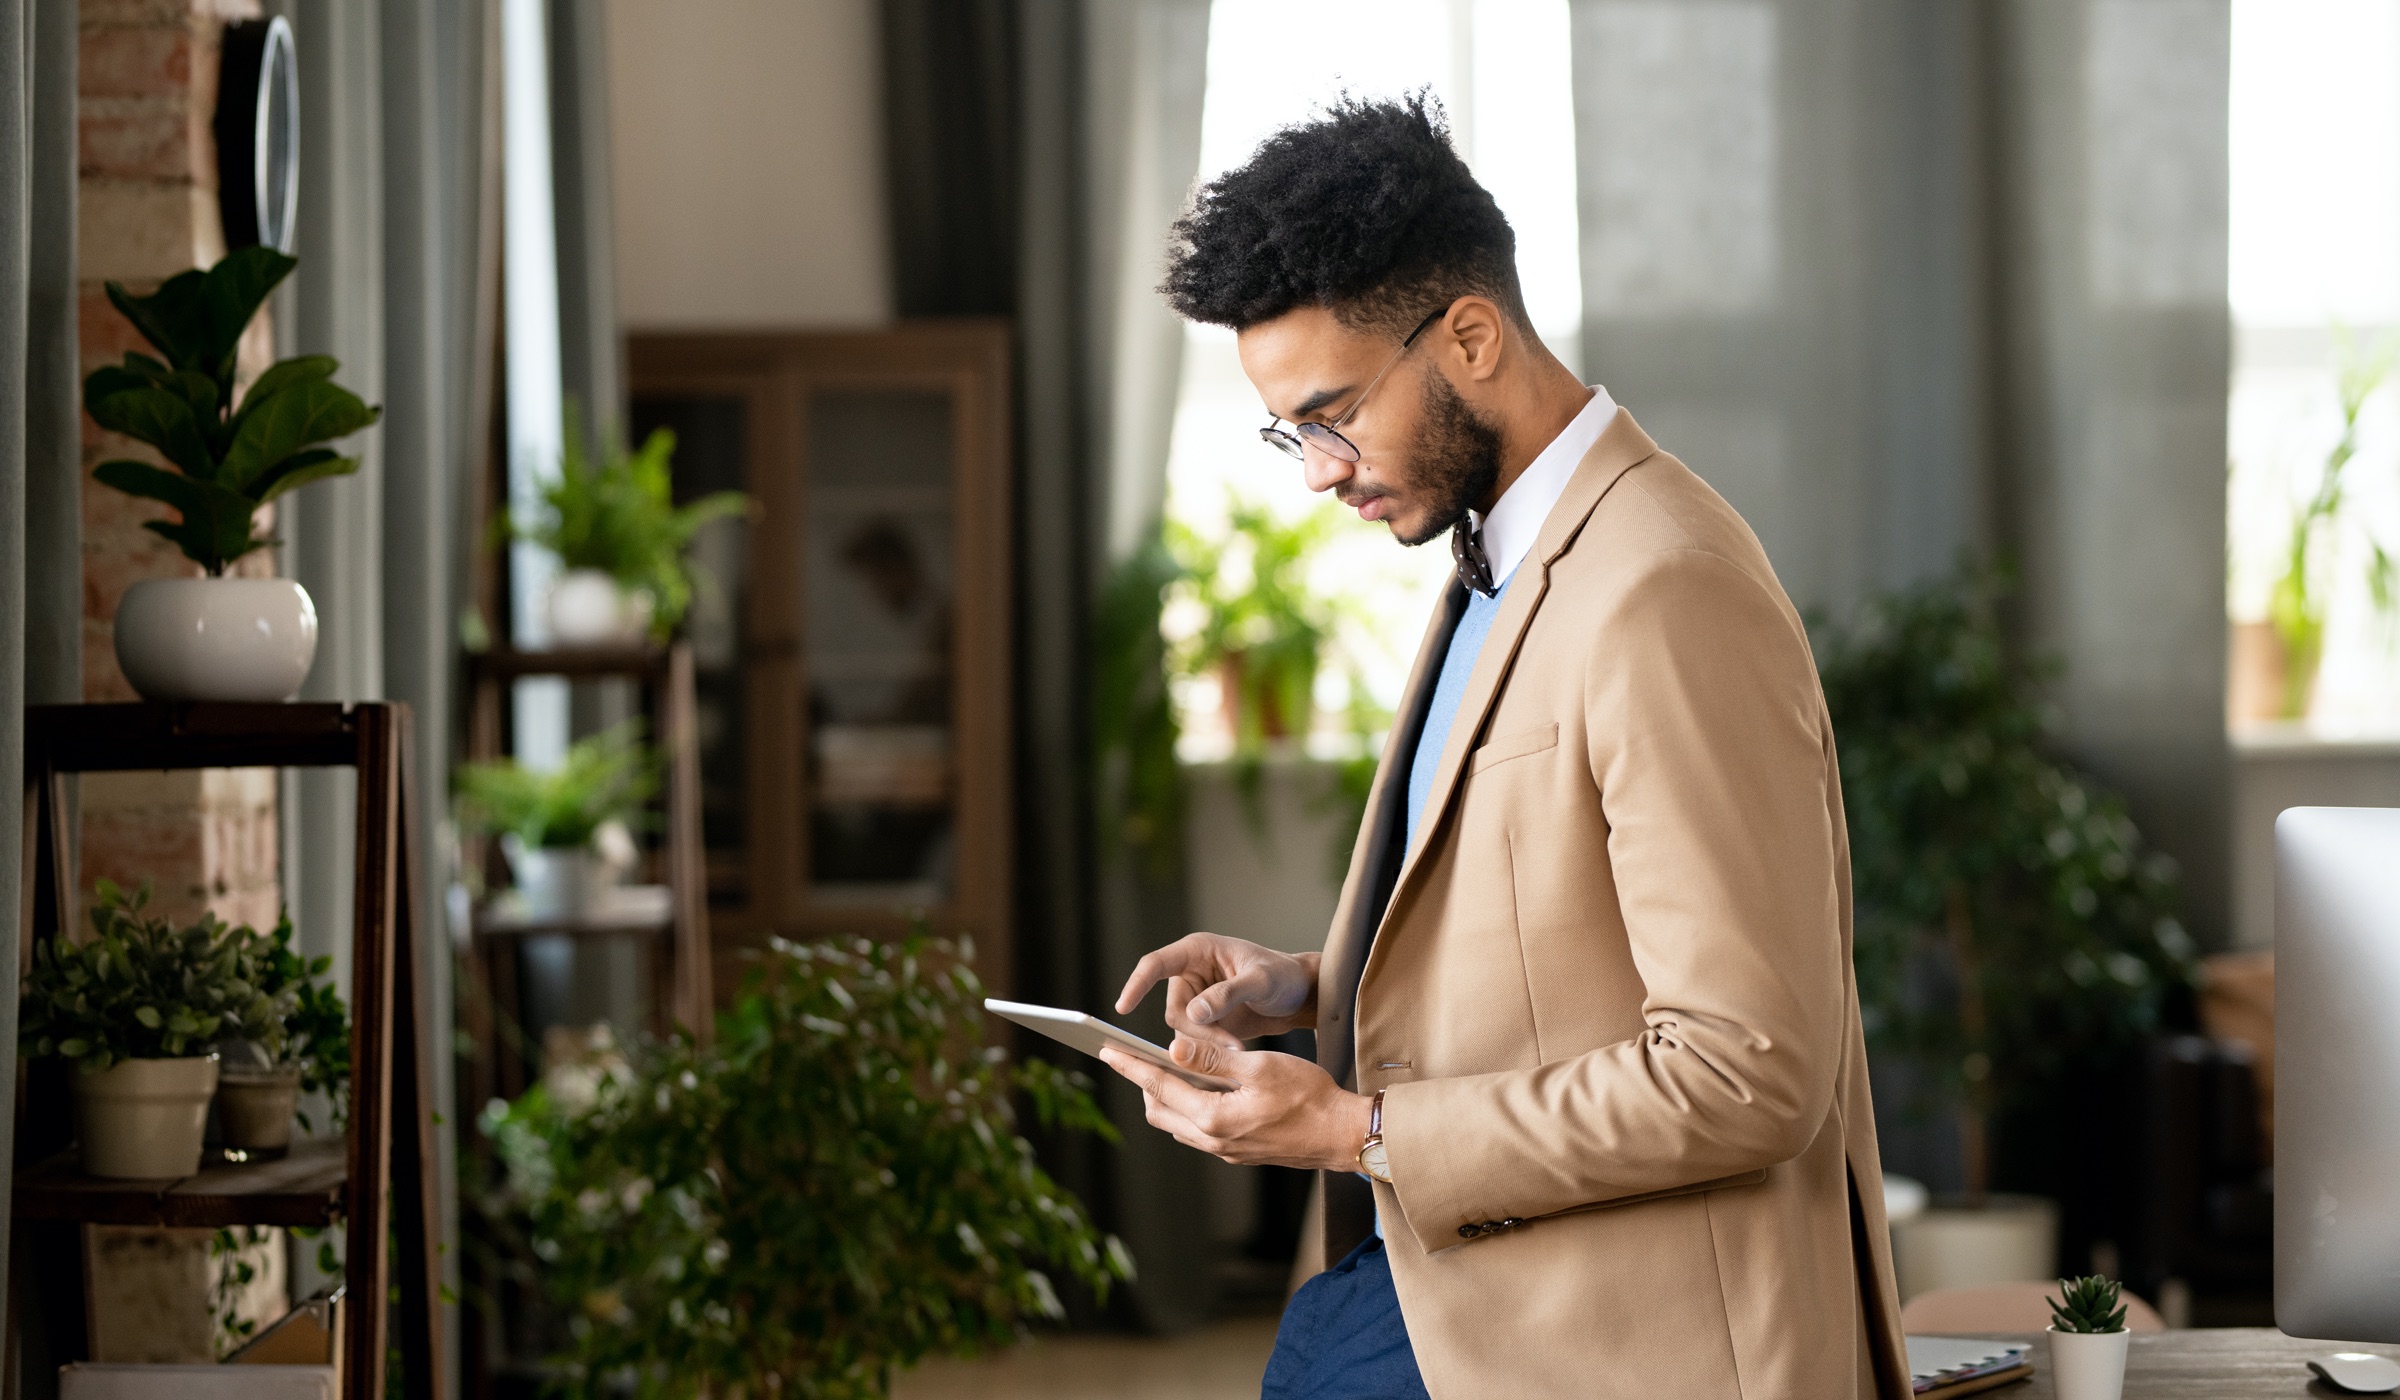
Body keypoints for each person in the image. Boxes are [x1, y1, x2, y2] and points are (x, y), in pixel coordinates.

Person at [1096, 95, 1910, 1399]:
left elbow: (1752, 1070)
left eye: (1332, 414)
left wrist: (1357, 1127)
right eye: (1289, 432)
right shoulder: (1502, 552)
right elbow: (1567, 936)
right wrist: (1317, 982)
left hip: (1628, 1335)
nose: (1317, 472)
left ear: (1469, 334)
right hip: (1463, 1280)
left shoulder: (1664, 587)